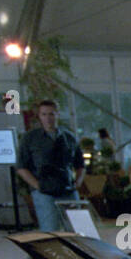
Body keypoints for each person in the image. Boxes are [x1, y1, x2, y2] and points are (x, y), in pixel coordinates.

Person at [16, 99, 82, 233]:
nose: (48, 118)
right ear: (39, 116)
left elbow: (80, 164)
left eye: (51, 114)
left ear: (57, 114)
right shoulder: (30, 138)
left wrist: (78, 182)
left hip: (67, 189)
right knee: (50, 230)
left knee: (76, 230)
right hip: (44, 191)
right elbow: (21, 167)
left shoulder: (69, 137)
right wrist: (37, 185)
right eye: (44, 114)